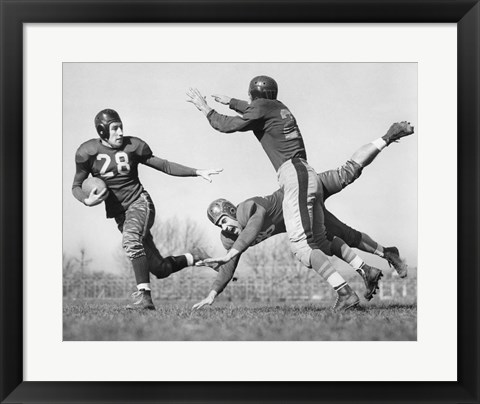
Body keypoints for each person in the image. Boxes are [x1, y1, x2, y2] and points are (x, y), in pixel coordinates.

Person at [187, 76, 413, 310]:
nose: (224, 227)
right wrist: (212, 294)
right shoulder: (277, 107)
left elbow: (229, 125)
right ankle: (368, 267)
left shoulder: (245, 211)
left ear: (231, 210)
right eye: (219, 225)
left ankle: (346, 293)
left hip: (295, 181)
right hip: (304, 178)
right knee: (329, 236)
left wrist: (207, 110)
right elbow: (230, 264)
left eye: (223, 220)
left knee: (302, 248)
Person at [72, 108, 223, 310]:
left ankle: (144, 298)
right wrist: (86, 200)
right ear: (102, 131)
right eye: (115, 128)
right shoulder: (87, 152)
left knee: (131, 239)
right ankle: (195, 256)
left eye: (121, 127)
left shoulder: (133, 146)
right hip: (121, 215)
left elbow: (165, 165)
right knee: (159, 269)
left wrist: (197, 172)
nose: (120, 132)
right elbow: (76, 186)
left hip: (140, 203)